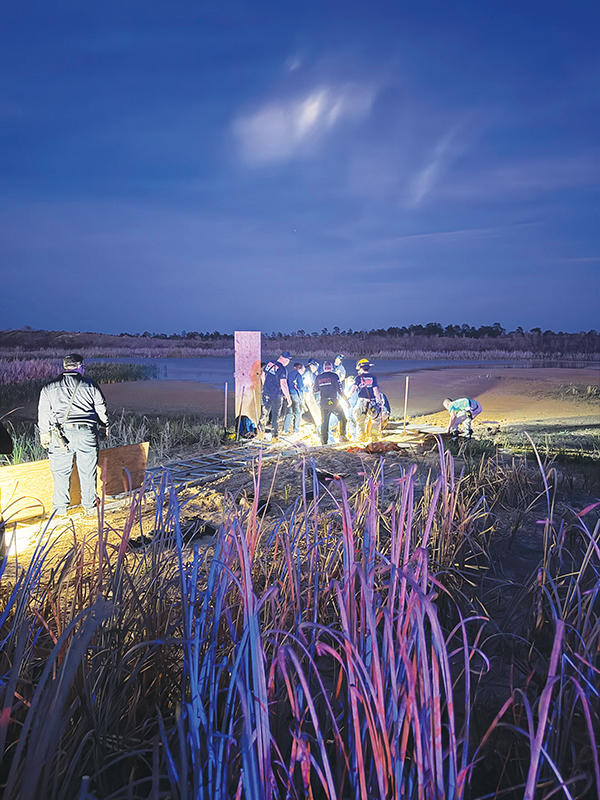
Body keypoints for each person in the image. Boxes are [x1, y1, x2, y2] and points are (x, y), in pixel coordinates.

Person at [38, 353, 109, 517]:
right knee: (88, 471)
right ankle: (90, 507)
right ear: (80, 366)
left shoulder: (49, 387)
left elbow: (43, 414)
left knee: (60, 473)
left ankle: (60, 510)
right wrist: (104, 427)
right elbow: (101, 408)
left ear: (65, 367)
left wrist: (44, 434)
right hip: (86, 433)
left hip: (60, 436)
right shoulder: (90, 385)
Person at [348, 358, 383, 441]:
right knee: (376, 419)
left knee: (360, 421)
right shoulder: (373, 377)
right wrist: (380, 399)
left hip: (361, 402)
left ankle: (361, 438)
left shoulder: (358, 378)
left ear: (360, 368)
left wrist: (346, 397)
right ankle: (374, 437)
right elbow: (375, 390)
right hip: (372, 402)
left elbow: (353, 390)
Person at [261, 351, 292, 440]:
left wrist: (264, 386)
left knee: (264, 413)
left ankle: (260, 433)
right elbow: (284, 385)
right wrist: (288, 399)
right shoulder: (282, 369)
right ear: (286, 360)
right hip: (276, 395)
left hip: (266, 393)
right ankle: (274, 436)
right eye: (288, 360)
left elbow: (263, 375)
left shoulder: (270, 363)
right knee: (275, 416)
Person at [316, 362, 347, 445]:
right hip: (333, 402)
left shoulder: (319, 377)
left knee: (324, 422)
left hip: (323, 402)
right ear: (331, 367)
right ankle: (342, 435)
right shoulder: (334, 376)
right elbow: (340, 389)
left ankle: (324, 442)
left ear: (323, 368)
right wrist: (346, 400)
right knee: (343, 418)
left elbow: (315, 389)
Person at [283, 362, 306, 436]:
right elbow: (301, 387)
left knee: (289, 413)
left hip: (288, 395)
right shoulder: (298, 375)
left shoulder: (289, 374)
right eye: (303, 370)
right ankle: (296, 430)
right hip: (295, 395)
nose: (303, 372)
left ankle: (285, 430)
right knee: (297, 412)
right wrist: (308, 390)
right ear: (300, 369)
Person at [304, 359, 321, 428]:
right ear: (310, 365)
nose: (315, 369)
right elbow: (305, 383)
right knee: (312, 406)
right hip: (307, 393)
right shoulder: (307, 372)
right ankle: (312, 420)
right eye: (314, 367)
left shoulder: (311, 372)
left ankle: (312, 419)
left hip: (312, 392)